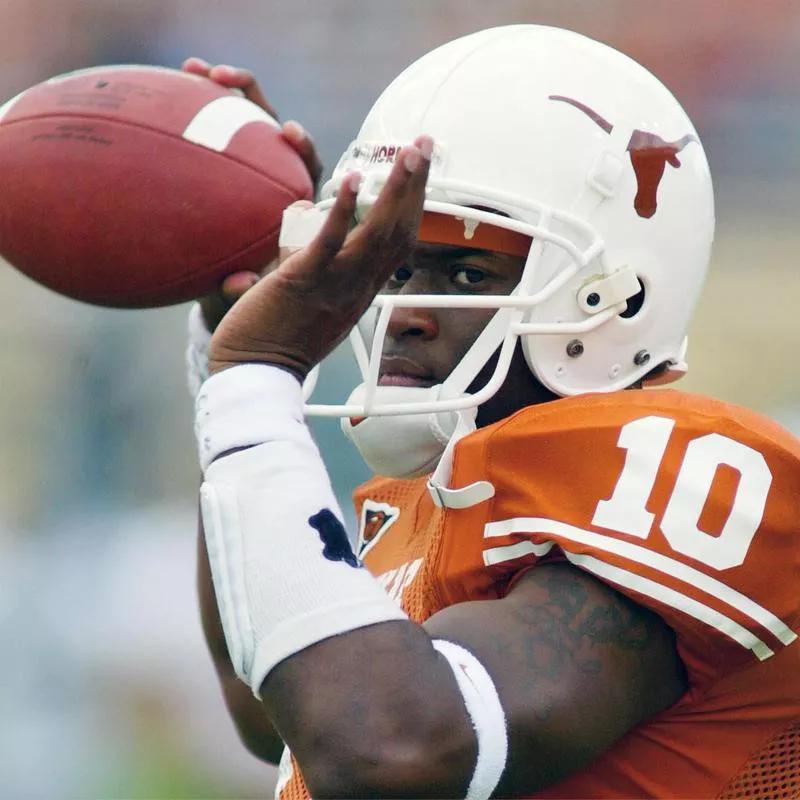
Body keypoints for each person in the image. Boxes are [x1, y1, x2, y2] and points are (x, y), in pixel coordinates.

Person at [183, 25, 800, 799]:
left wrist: (252, 382)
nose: (405, 310)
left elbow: (393, 749)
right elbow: (276, 706)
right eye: (396, 268)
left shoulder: (685, 469)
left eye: (468, 272)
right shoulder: (432, 494)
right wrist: (228, 338)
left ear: (616, 299)